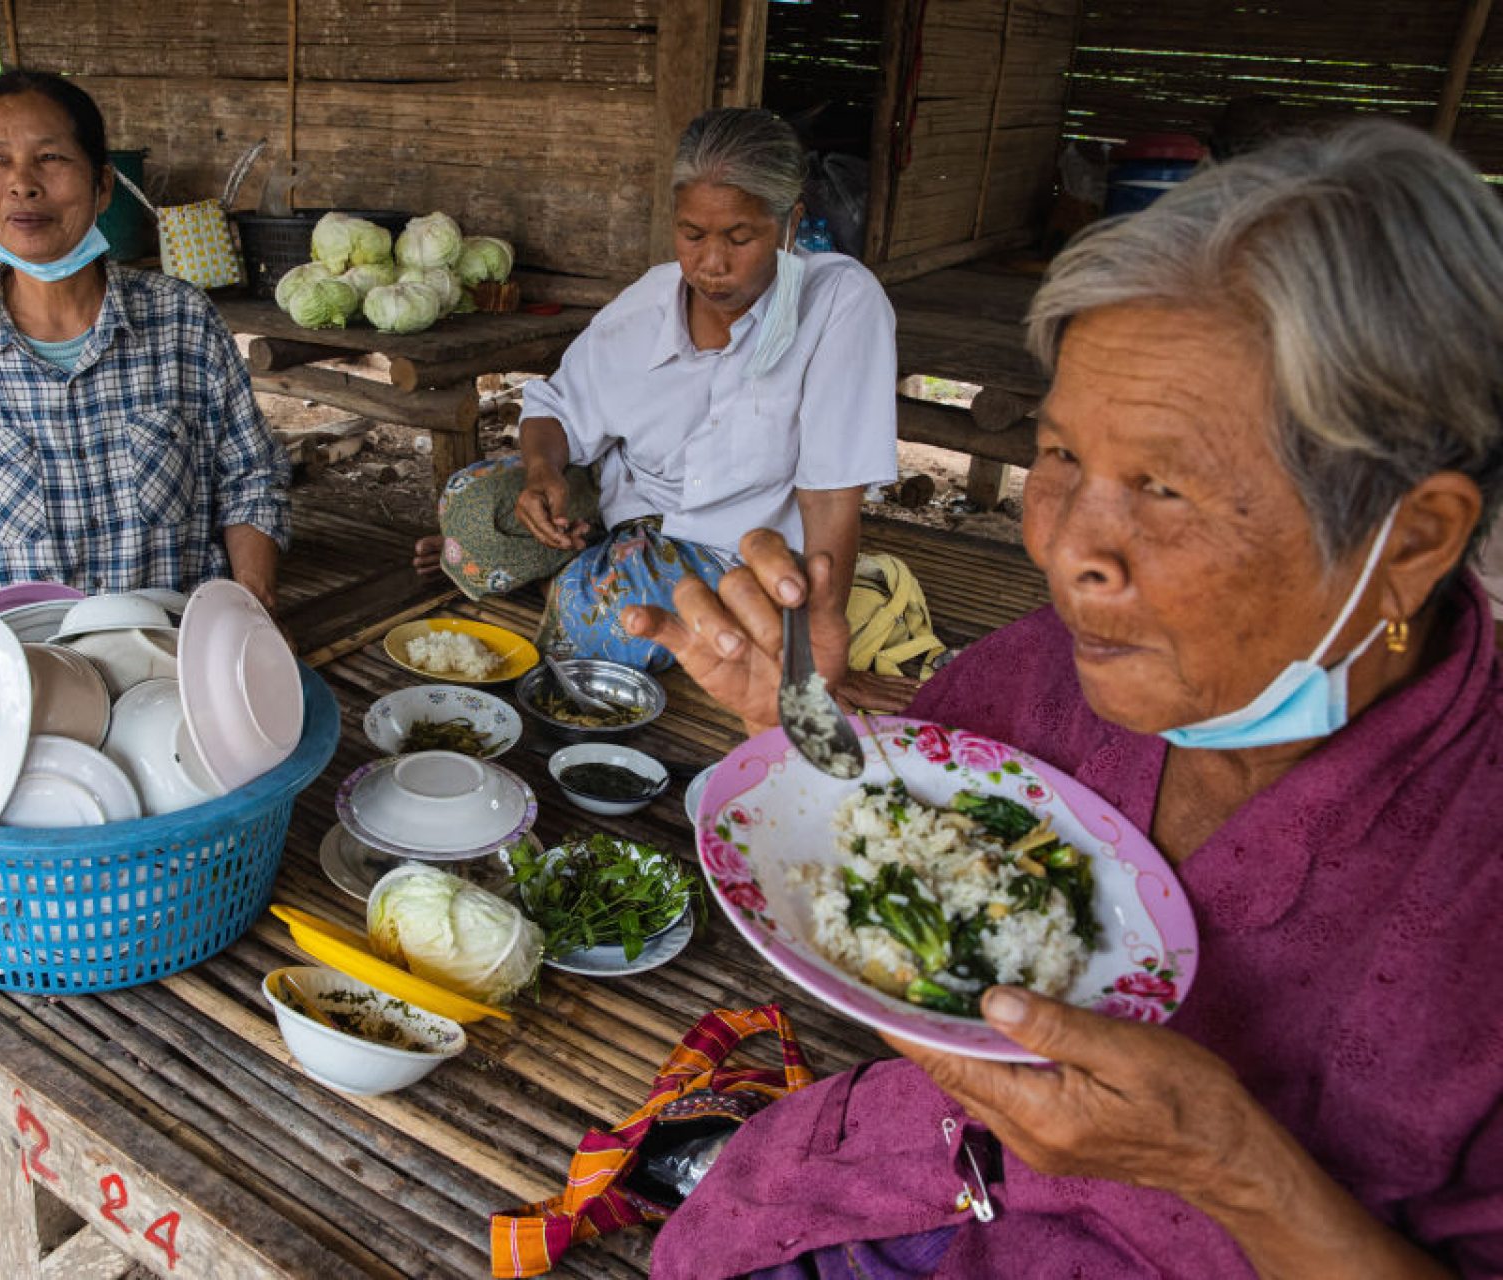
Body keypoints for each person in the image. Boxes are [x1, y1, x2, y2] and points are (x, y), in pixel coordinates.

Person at [624, 121, 1503, 1277]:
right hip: (887, 1183)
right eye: (1060, 458)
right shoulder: (1058, 668)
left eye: (1165, 487)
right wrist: (788, 721)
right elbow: (906, 848)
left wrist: (1234, 1168)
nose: (1065, 547)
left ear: (1412, 542)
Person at [417, 108, 923, 695]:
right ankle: (576, 563)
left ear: (789, 226)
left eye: (740, 238)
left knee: (601, 619)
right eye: (692, 235)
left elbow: (832, 497)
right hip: (618, 505)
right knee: (471, 514)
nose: (711, 265)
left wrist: (816, 640)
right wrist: (541, 472)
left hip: (729, 545)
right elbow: (555, 405)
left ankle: (573, 580)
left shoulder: (838, 302)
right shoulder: (651, 300)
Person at [0, 71, 289, 620]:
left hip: (173, 650)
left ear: (104, 185)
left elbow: (250, 479)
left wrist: (251, 611)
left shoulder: (181, 319)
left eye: (50, 158)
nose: (22, 184)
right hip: (26, 662)